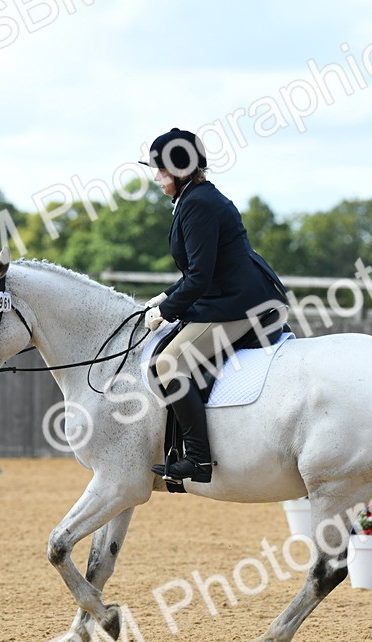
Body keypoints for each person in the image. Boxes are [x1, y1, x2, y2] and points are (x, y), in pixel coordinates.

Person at [139, 128, 289, 483]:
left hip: (238, 303)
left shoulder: (199, 204)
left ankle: (199, 459)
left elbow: (200, 278)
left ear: (178, 170)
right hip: (230, 292)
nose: (156, 178)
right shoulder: (197, 198)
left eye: (160, 171)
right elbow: (199, 268)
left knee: (170, 361)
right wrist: (167, 295)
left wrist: (167, 310)